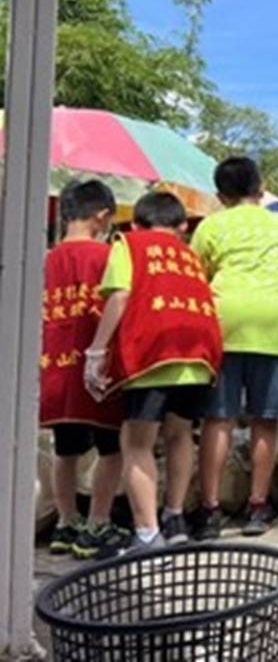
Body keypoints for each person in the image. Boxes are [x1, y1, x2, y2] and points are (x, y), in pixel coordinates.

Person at [85, 192, 222, 553]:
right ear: (181, 226)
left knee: (135, 443)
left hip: (154, 352)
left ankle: (147, 535)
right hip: (199, 352)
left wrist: (97, 350)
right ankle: (174, 517)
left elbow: (119, 297)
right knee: (180, 435)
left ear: (135, 224)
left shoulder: (128, 244)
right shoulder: (189, 255)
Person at [191, 158, 278, 538]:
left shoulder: (210, 226)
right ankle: (257, 508)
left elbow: (196, 277)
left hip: (224, 323)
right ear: (260, 187)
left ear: (220, 194)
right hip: (274, 324)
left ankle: (209, 510)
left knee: (219, 418)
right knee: (265, 420)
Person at [40, 180, 128, 560]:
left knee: (66, 449)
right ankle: (97, 523)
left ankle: (65, 521)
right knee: (112, 448)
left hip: (55, 367)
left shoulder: (45, 258)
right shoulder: (108, 257)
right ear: (102, 215)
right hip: (99, 369)